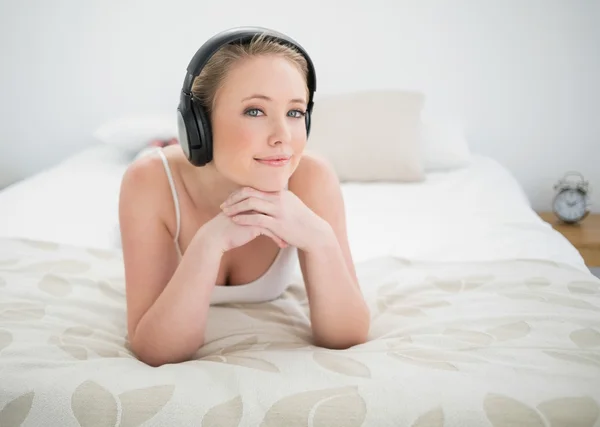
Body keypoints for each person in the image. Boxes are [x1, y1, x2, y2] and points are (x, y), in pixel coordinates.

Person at [118, 28, 370, 367]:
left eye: (294, 112)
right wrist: (209, 242)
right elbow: (157, 349)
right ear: (199, 126)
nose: (283, 137)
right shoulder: (147, 182)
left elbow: (346, 335)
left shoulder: (312, 178)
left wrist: (319, 238)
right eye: (255, 111)